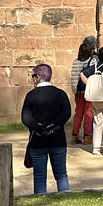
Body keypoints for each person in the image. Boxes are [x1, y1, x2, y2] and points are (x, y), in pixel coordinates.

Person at [21, 63, 71, 195]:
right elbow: (66, 114)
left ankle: (40, 197)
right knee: (61, 175)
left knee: (39, 177)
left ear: (37, 77)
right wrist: (52, 127)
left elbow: (26, 118)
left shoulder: (31, 95)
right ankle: (66, 199)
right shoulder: (60, 94)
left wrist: (39, 129)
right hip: (57, 139)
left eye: (33, 76)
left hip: (38, 141)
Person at [71, 36, 97, 144]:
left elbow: (73, 77)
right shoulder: (92, 60)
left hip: (78, 91)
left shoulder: (76, 61)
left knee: (78, 113)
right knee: (88, 113)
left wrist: (74, 90)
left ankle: (74, 135)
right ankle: (87, 137)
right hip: (88, 90)